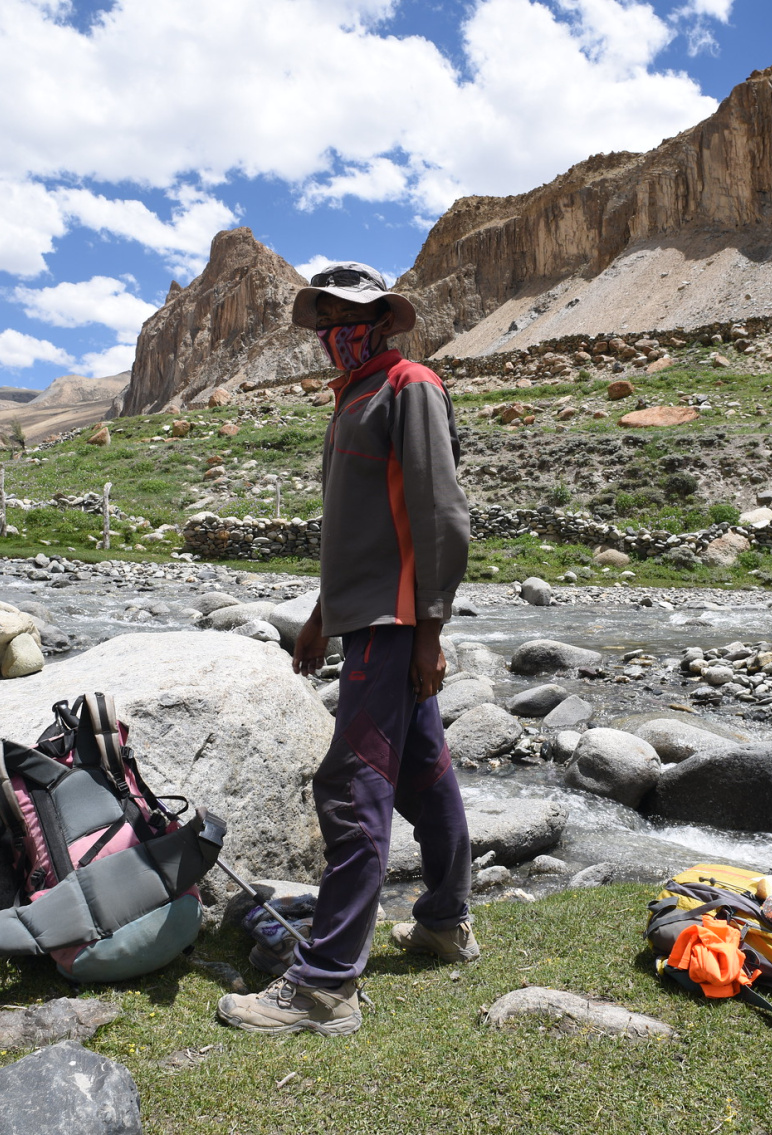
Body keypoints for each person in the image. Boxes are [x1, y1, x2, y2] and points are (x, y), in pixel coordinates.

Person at [217, 262, 474, 1037]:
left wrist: (430, 629)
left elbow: (440, 514)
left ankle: (326, 984)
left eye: (348, 315)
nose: (335, 330)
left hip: (396, 626)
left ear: (380, 319)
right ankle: (443, 920)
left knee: (352, 786)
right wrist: (322, 615)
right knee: (424, 776)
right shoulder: (350, 399)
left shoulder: (409, 385)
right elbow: (356, 531)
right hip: (364, 619)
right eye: (325, 317)